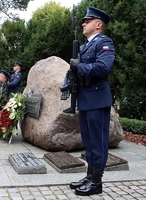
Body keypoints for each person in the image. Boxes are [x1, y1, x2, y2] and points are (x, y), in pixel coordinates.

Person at [68, 6, 115, 196]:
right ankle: (89, 176)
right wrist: (68, 80)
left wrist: (81, 66)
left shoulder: (105, 42)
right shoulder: (84, 46)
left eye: (87, 21)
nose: (83, 24)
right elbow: (74, 70)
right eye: (83, 21)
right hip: (86, 99)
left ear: (98, 24)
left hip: (97, 98)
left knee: (98, 143)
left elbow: (103, 67)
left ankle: (96, 182)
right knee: (88, 142)